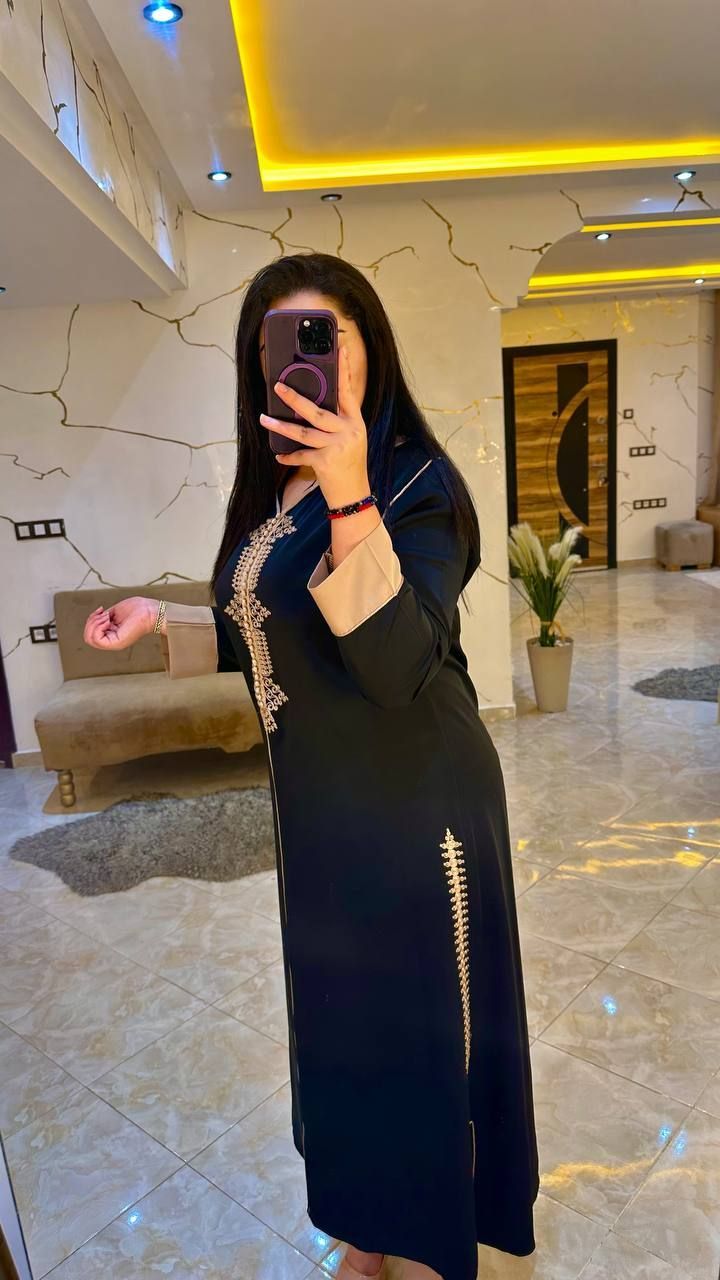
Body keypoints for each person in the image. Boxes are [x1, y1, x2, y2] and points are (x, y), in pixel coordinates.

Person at [84, 253, 539, 1280]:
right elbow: (266, 630)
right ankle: (369, 1226)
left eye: (324, 336)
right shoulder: (272, 488)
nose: (300, 360)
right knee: (344, 1037)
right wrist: (164, 615)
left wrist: (349, 491)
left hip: (418, 806)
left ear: (367, 348)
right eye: (275, 344)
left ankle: (433, 1241)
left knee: (422, 1036)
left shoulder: (417, 486)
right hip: (322, 814)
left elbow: (395, 666)